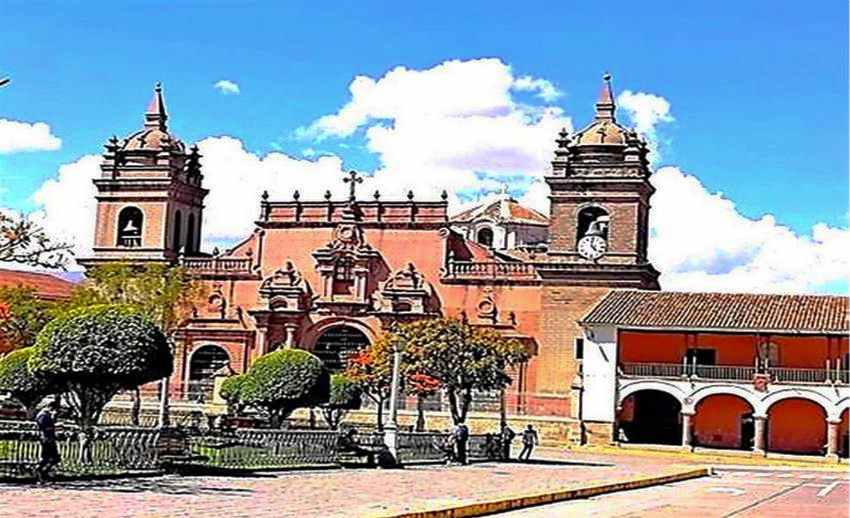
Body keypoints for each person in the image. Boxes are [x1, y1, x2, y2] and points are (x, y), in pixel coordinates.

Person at [35, 399, 61, 483]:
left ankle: (44, 473)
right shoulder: (43, 415)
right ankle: (41, 472)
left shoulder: (46, 415)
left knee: (54, 458)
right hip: (46, 439)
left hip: (49, 438)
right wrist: (55, 426)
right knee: (49, 457)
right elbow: (43, 427)